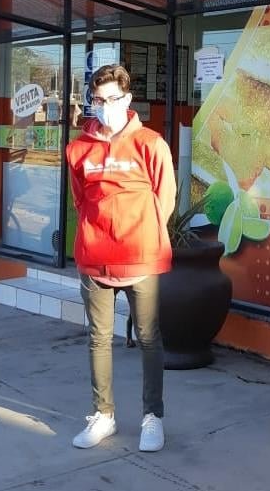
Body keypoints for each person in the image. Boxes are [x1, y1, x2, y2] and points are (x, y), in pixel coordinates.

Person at [66, 63, 176, 452]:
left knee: (148, 337)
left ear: (127, 99)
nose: (105, 106)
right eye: (98, 100)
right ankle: (103, 416)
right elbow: (81, 200)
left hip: (140, 258)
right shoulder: (78, 148)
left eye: (112, 98)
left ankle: (153, 417)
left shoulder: (151, 144)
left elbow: (165, 199)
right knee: (98, 338)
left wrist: (140, 233)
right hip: (94, 258)